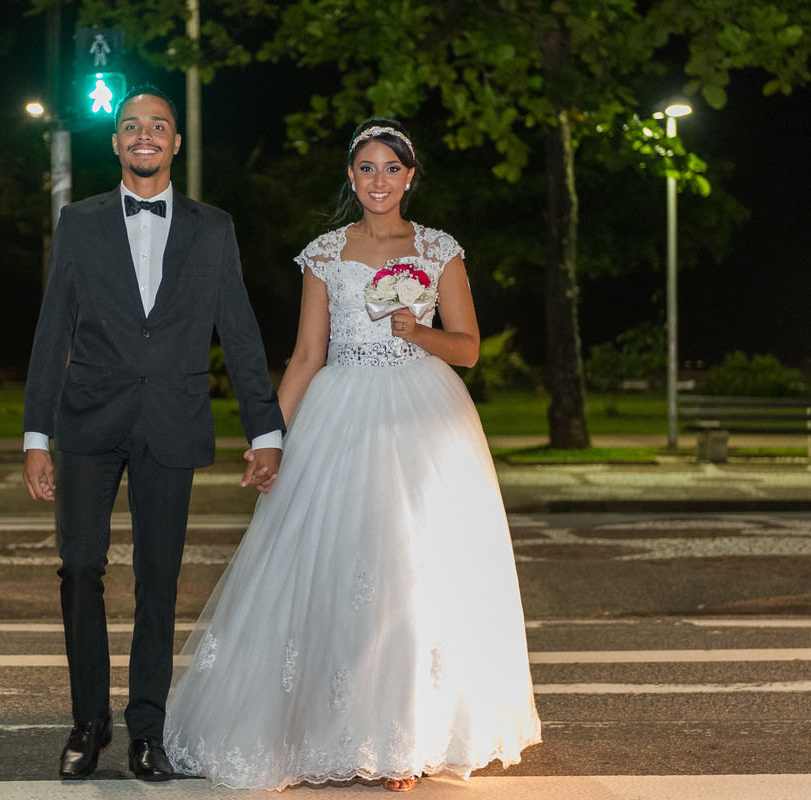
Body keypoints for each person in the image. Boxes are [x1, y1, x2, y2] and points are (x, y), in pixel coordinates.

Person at [163, 118, 541, 792]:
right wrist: (270, 437)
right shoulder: (324, 254)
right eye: (366, 168)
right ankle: (320, 731)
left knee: (409, 570)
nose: (379, 181)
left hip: (424, 416)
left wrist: (419, 332)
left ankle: (404, 741)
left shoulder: (439, 250)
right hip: (339, 416)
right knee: (336, 566)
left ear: (410, 177)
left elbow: (471, 347)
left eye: (391, 169)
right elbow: (308, 355)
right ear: (351, 176)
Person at [22, 84, 285, 782]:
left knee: (158, 580)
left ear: (174, 142)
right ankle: (88, 723)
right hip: (88, 421)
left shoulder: (213, 227)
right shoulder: (78, 223)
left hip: (171, 418)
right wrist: (35, 435)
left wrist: (267, 429)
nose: (145, 135)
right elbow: (54, 330)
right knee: (80, 568)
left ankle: (146, 731)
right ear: (115, 143)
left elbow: (241, 331)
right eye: (131, 125)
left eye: (158, 126)